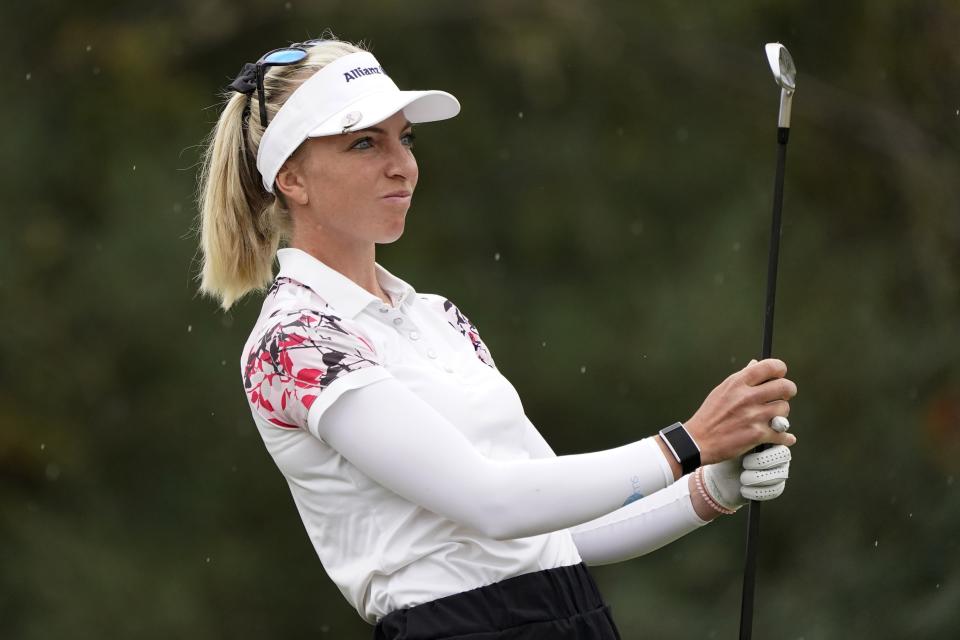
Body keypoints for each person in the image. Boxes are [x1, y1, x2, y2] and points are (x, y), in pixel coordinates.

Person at [195, 36, 798, 640]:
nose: (402, 164)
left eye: (404, 138)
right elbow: (493, 502)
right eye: (364, 143)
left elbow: (553, 529)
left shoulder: (439, 316)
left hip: (576, 616)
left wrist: (710, 484)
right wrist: (687, 442)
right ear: (292, 179)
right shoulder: (293, 339)